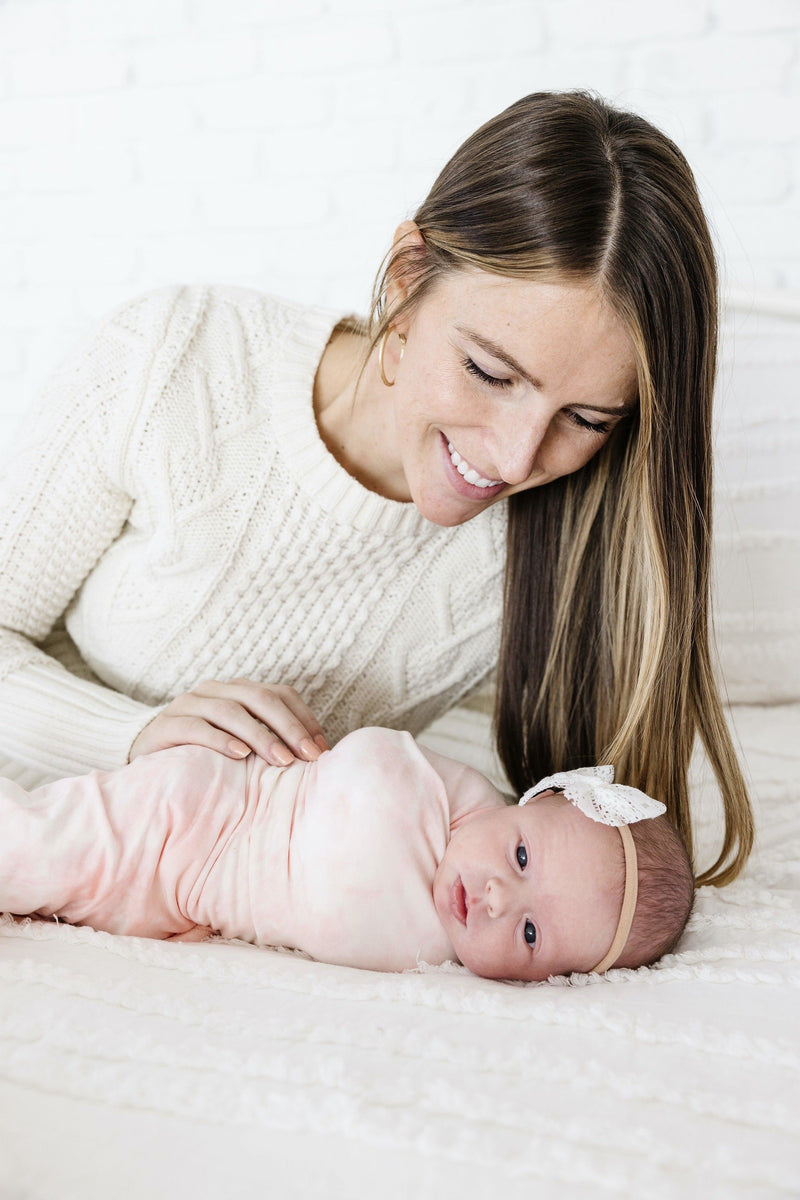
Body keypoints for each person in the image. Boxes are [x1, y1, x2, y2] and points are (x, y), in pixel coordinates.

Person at [0, 90, 752, 888]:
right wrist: (133, 738)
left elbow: (601, 860)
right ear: (406, 279)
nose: (515, 457)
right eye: (490, 372)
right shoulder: (175, 357)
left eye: (588, 417)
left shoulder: (579, 521)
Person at [0, 727, 692, 981]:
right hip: (194, 812)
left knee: (43, 889)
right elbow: (366, 761)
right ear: (527, 801)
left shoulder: (432, 960)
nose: (496, 900)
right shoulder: (455, 793)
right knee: (30, 846)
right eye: (519, 858)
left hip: (177, 899)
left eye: (532, 933)